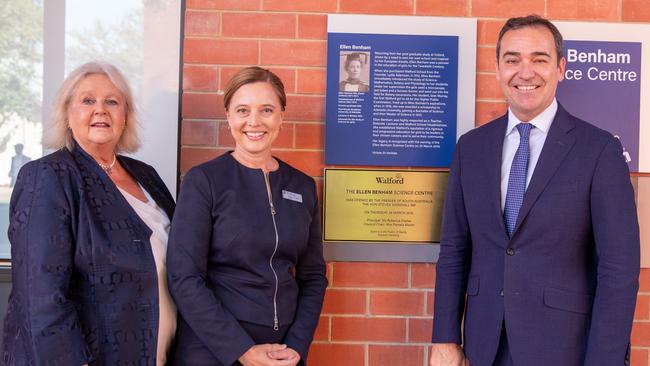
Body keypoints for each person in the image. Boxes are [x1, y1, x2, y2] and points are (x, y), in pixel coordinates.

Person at [430, 15, 639, 366]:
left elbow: (618, 268)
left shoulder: (599, 150)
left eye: (539, 59)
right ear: (497, 68)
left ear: (560, 68)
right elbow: (454, 249)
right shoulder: (471, 148)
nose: (525, 72)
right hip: (484, 347)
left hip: (565, 349)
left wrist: (605, 359)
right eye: (512, 60)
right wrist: (445, 338)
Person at [1, 61, 177, 365]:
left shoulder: (146, 176)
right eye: (87, 100)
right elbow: (40, 295)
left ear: (125, 116)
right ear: (67, 114)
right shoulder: (48, 176)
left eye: (112, 101)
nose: (101, 110)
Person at [167, 66, 327, 366]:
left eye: (266, 110)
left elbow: (314, 276)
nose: (254, 122)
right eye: (242, 110)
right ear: (228, 116)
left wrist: (297, 344)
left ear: (282, 115)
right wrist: (241, 350)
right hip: (214, 351)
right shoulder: (204, 181)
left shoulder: (302, 187)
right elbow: (184, 278)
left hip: (283, 354)